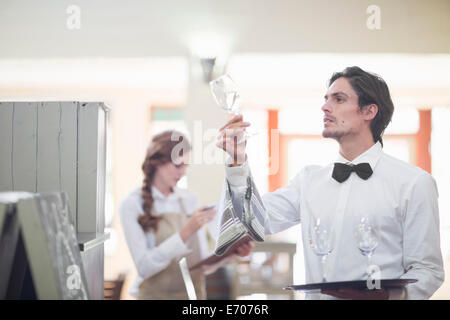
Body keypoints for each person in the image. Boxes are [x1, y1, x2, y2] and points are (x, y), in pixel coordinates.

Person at [216, 66, 444, 300]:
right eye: (326, 99)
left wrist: (387, 297)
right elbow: (255, 221)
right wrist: (237, 161)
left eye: (339, 99)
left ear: (369, 111)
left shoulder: (414, 183)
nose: (325, 107)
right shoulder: (308, 181)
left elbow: (429, 271)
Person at [120, 130, 253, 300]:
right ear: (157, 163)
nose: (182, 172)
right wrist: (186, 232)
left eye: (185, 166)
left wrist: (232, 253)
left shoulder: (190, 200)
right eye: (177, 166)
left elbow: (200, 266)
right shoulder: (131, 204)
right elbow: (144, 267)